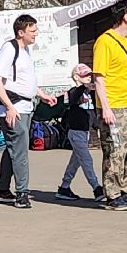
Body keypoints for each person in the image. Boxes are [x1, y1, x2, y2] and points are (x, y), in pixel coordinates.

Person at [0, 14, 55, 210]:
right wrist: (9, 107)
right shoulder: (9, 49)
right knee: (20, 152)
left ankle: (2, 191)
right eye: (32, 31)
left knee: (13, 149)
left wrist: (41, 94)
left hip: (24, 107)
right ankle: (22, 194)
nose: (36, 34)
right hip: (13, 109)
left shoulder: (24, 51)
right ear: (21, 32)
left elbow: (24, 82)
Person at [94, 0, 127, 211]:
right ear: (125, 16)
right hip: (114, 107)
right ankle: (112, 195)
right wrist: (105, 107)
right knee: (115, 151)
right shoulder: (104, 42)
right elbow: (99, 77)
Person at [55, 64, 105, 203]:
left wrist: (98, 126)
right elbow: (73, 98)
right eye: (84, 76)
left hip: (85, 132)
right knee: (87, 160)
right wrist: (84, 87)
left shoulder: (91, 94)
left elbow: (93, 112)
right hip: (75, 132)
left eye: (90, 75)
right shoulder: (73, 92)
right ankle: (96, 188)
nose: (88, 78)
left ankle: (64, 187)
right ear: (76, 77)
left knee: (75, 162)